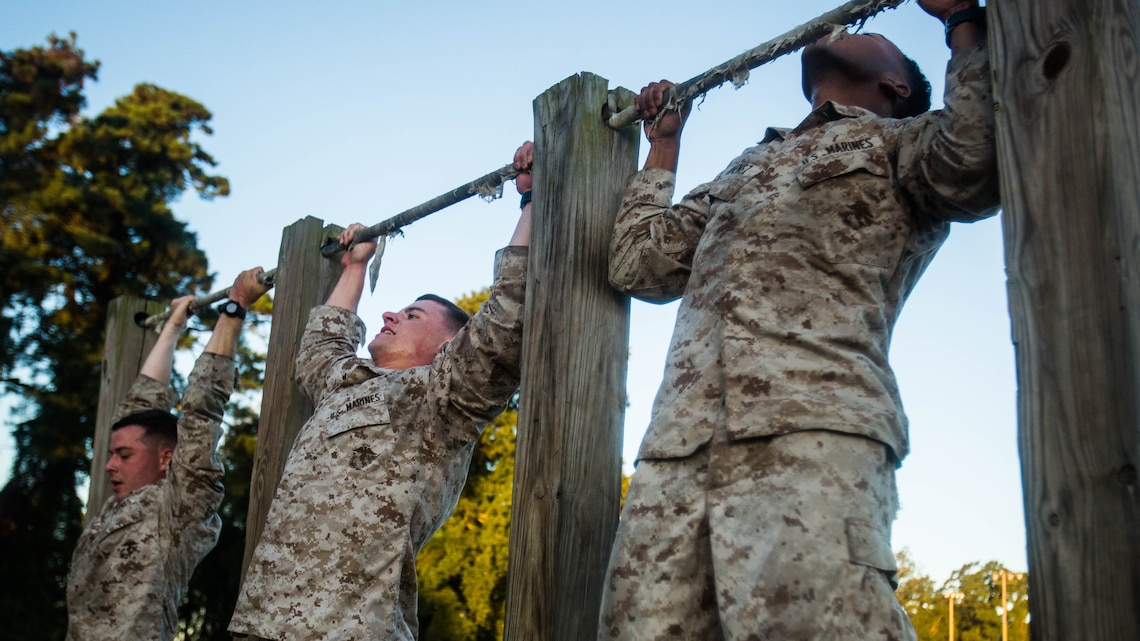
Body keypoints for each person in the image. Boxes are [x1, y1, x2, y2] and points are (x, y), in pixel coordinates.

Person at [599, 1, 997, 639]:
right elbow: (639, 262)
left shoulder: (903, 142)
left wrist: (961, 21)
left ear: (896, 87)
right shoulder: (748, 167)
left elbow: (975, 161)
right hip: (677, 453)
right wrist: (666, 146)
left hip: (813, 431)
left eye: (869, 33)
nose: (845, 30)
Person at [228, 144, 535, 641]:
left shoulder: (444, 398)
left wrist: (531, 202)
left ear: (450, 345)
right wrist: (354, 267)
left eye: (412, 316)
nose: (390, 314)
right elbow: (321, 345)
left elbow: (506, 316)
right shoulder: (348, 381)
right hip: (262, 624)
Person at [65, 268, 272, 641]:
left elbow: (201, 412)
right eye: (112, 455)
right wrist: (173, 326)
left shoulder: (178, 511)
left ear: (166, 459)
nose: (110, 465)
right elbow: (139, 404)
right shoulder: (117, 506)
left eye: (124, 456)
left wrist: (235, 306)